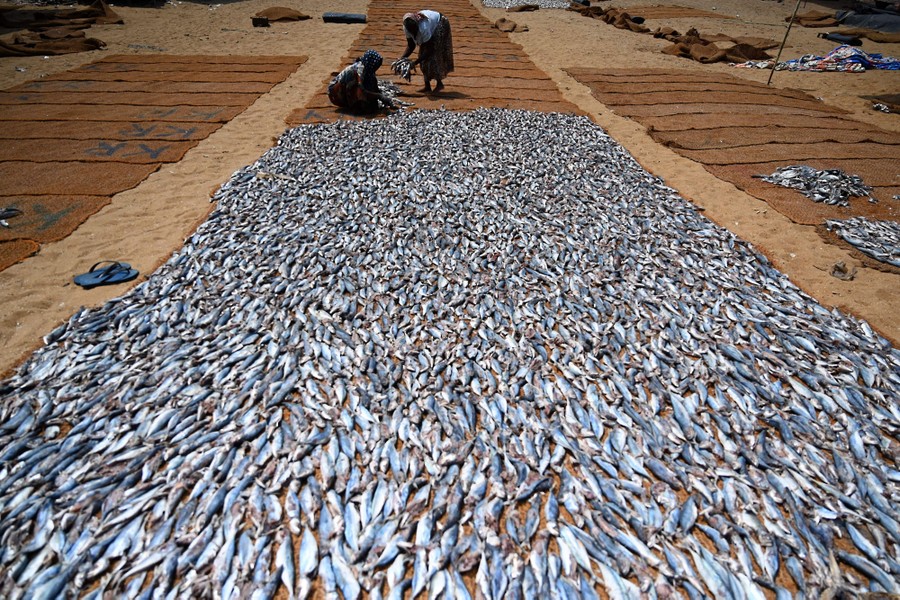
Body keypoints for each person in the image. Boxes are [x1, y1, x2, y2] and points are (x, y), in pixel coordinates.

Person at [400, 10, 454, 93]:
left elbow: (430, 49)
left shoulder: (424, 27)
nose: (414, 34)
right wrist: (402, 58)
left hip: (440, 23)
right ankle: (427, 86)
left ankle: (439, 84)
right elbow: (411, 45)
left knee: (435, 56)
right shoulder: (406, 27)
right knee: (423, 59)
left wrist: (415, 62)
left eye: (415, 31)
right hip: (430, 28)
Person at [328, 50, 396, 113]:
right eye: (376, 65)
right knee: (358, 91)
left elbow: (374, 87)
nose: (377, 68)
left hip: (347, 88)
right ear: (371, 63)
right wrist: (379, 96)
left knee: (371, 103)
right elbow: (362, 90)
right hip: (335, 93)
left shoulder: (368, 69)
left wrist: (382, 98)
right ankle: (353, 106)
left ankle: (356, 103)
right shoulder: (358, 71)